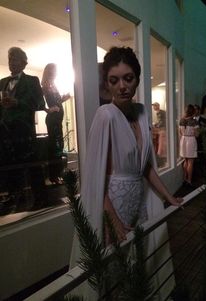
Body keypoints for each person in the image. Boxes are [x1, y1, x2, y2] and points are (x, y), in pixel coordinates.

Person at [70, 47, 183, 298]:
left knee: (137, 268)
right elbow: (97, 178)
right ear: (107, 84)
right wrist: (114, 222)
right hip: (113, 206)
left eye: (128, 78)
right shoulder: (105, 115)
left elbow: (145, 167)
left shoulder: (142, 113)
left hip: (138, 203)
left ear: (138, 79)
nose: (122, 86)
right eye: (114, 80)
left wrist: (168, 197)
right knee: (113, 273)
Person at [0, 47, 46, 210]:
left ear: (23, 63)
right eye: (9, 58)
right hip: (6, 133)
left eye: (15, 58)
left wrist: (18, 103)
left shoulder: (32, 80)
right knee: (11, 167)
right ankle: (14, 198)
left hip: (24, 131)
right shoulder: (2, 82)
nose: (11, 62)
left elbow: (40, 104)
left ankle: (40, 198)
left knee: (33, 165)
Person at [41, 63, 70, 185]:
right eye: (54, 70)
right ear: (49, 71)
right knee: (55, 147)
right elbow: (37, 101)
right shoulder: (46, 85)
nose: (56, 72)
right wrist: (47, 109)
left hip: (57, 120)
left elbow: (57, 101)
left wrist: (63, 98)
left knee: (58, 146)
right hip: (52, 120)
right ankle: (54, 177)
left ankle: (56, 175)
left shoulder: (53, 85)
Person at [179, 104, 199, 187]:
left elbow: (179, 133)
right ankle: (189, 181)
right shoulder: (194, 121)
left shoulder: (181, 120)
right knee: (190, 162)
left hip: (183, 139)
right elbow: (197, 134)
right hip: (191, 140)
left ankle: (184, 178)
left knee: (185, 160)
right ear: (192, 112)